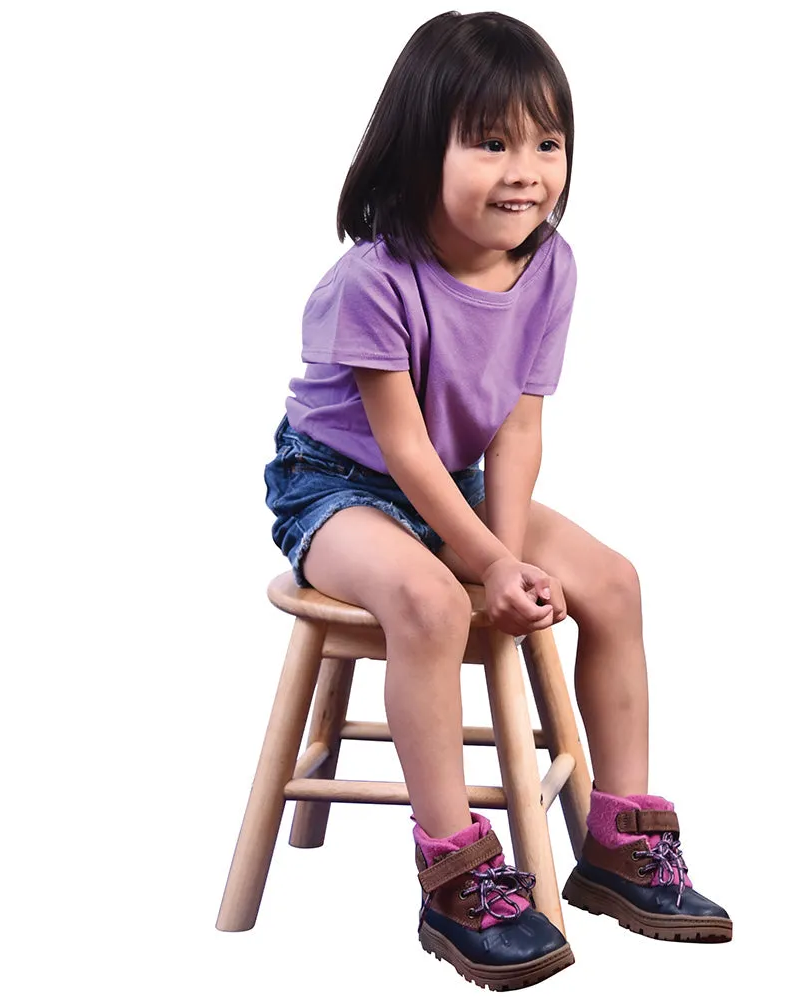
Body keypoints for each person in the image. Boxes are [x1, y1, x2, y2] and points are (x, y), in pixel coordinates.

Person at [264, 10, 731, 990]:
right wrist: (482, 566)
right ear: (417, 144)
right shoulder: (372, 281)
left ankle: (619, 839)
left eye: (545, 142)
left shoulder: (549, 265)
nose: (526, 169)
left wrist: (507, 554)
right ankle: (455, 869)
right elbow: (401, 447)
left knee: (613, 580)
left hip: (462, 482)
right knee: (430, 605)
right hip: (341, 486)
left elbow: (517, 429)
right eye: (490, 142)